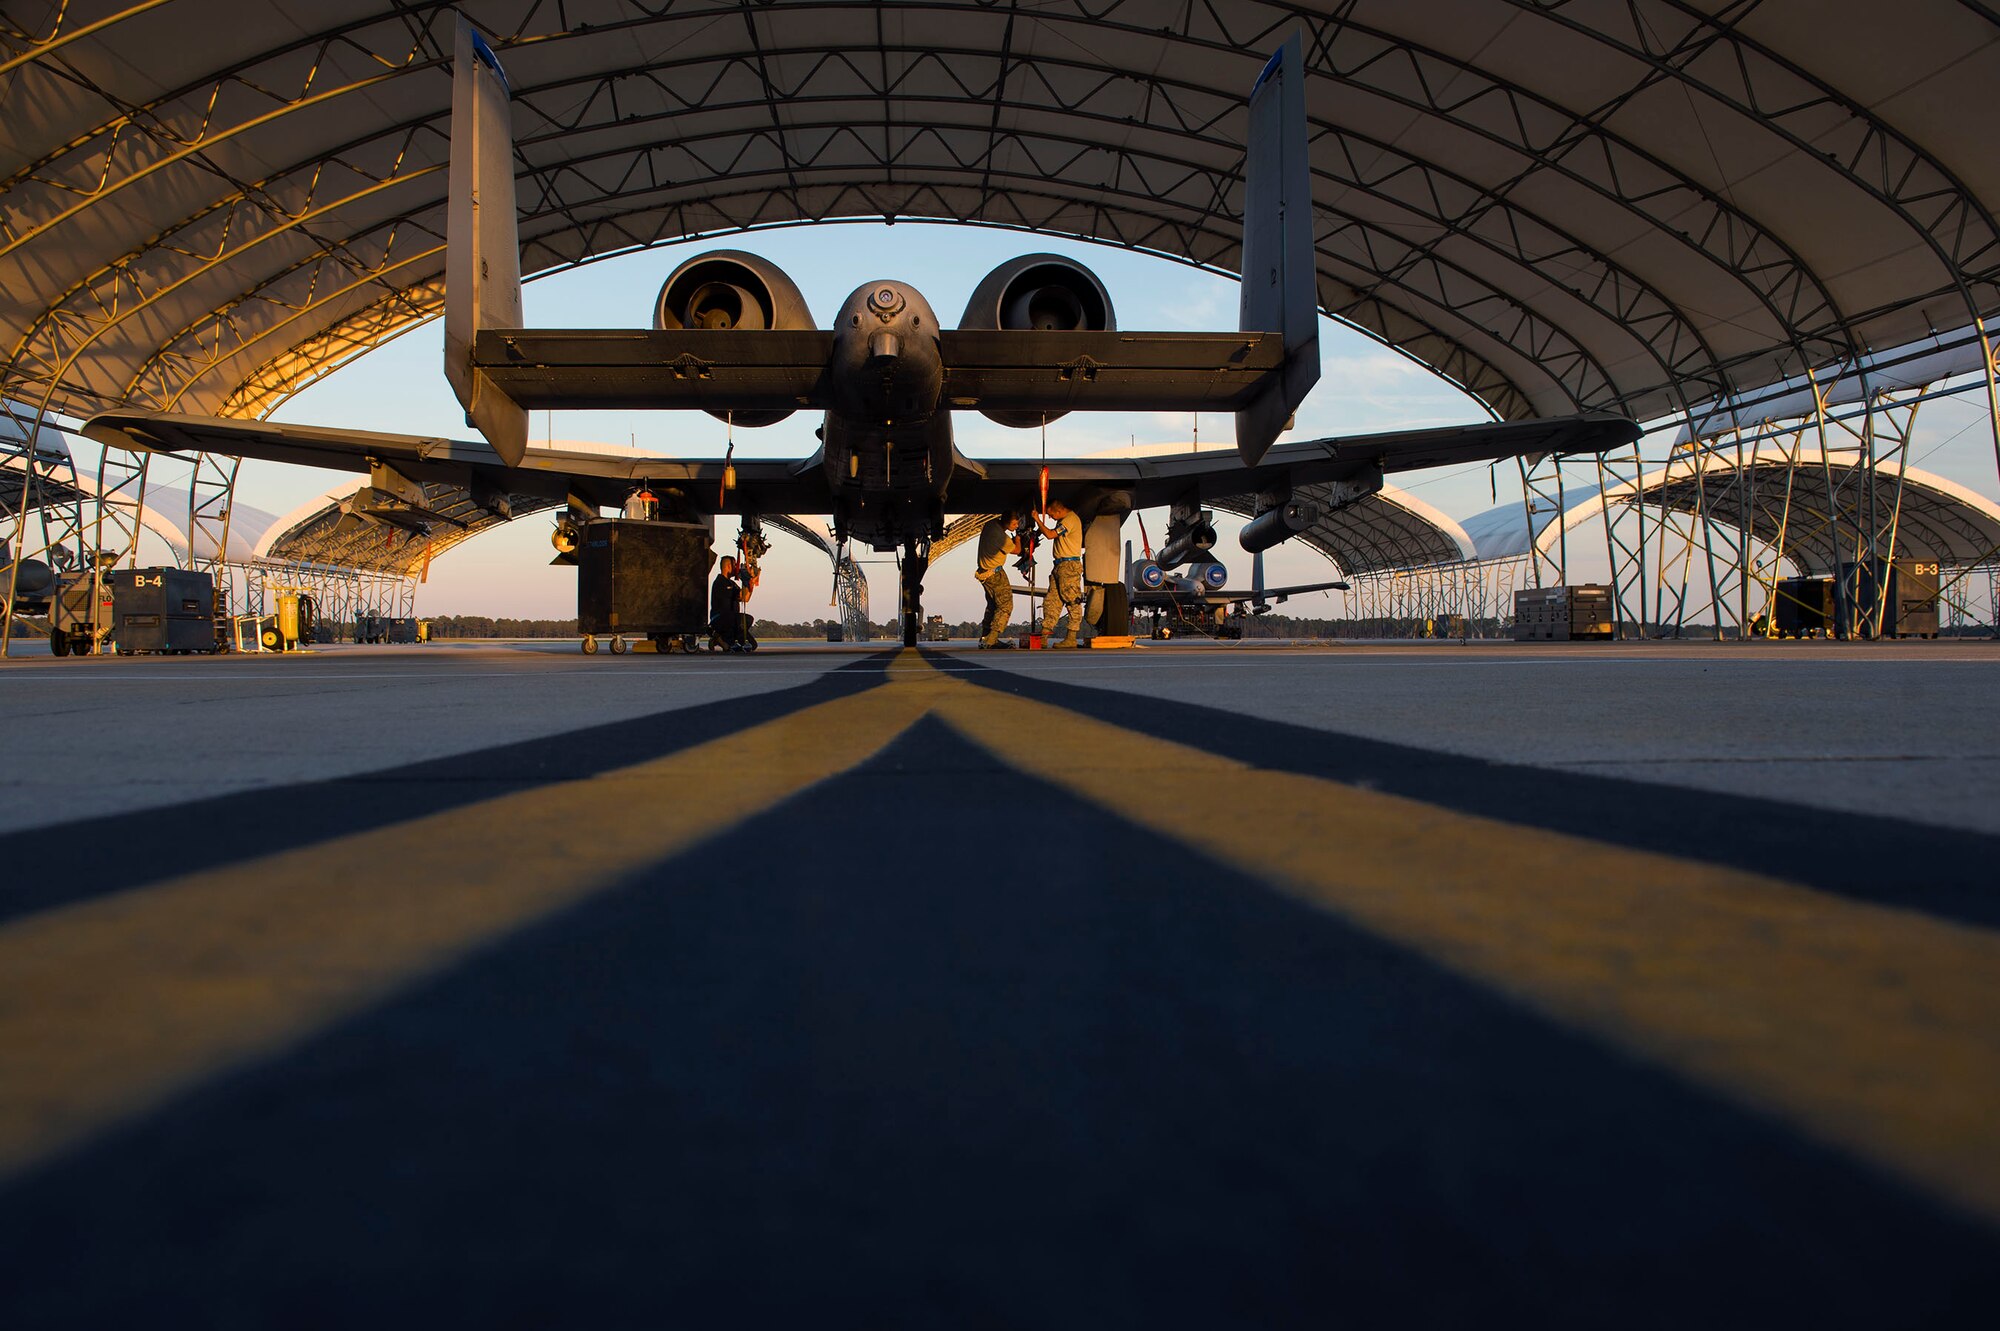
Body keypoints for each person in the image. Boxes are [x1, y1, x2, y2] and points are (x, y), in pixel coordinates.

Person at [1035, 499, 1086, 648]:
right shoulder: (1063, 520)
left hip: (1069, 565)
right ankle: (1044, 635)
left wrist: (1038, 520)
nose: (1051, 518)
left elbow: (1051, 535)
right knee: (1052, 600)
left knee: (1072, 600)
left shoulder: (1070, 520)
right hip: (1059, 565)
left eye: (1051, 515)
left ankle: (1071, 637)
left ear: (1058, 511)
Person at [974, 514, 1019, 648]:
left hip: (984, 573)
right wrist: (1018, 538)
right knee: (1005, 605)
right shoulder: (1001, 537)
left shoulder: (990, 525)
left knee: (993, 605)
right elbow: (1017, 550)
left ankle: (985, 636)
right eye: (1015, 524)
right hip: (995, 573)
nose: (1016, 526)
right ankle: (992, 638)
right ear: (1007, 522)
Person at [710, 555, 757, 651]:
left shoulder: (732, 584)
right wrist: (745, 580)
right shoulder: (720, 582)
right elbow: (740, 596)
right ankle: (722, 638)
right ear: (728, 566)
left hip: (732, 620)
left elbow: (745, 598)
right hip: (722, 618)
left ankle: (723, 638)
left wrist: (751, 582)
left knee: (753, 645)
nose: (737, 568)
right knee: (743, 620)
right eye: (735, 565)